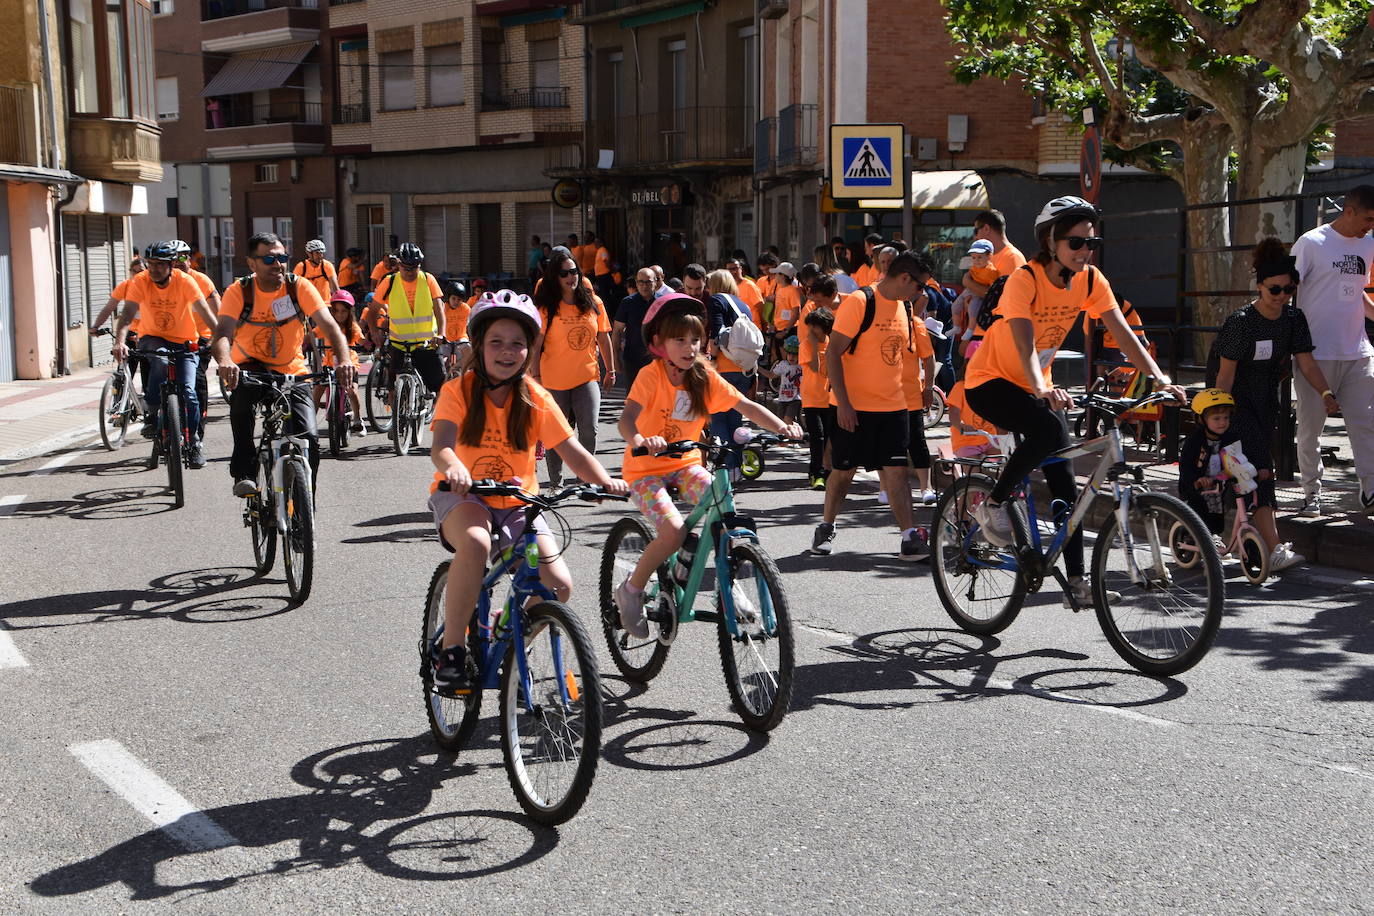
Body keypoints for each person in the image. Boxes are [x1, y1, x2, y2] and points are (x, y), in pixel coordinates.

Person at [962, 195, 1185, 606]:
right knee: (1047, 430)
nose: (1085, 251)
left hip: (1037, 386)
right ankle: (992, 503)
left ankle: (1078, 584)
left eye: (1091, 244)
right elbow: (1024, 341)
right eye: (1076, 243)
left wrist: (1159, 377)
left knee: (1068, 485)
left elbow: (1123, 334)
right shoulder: (1023, 280)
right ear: (1050, 241)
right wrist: (1041, 387)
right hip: (991, 381)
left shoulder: (1089, 280)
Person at [427, 292, 629, 695]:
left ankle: (510, 641)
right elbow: (442, 445)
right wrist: (455, 468)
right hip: (464, 496)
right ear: (479, 346)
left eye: (517, 342)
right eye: (496, 342)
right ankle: (452, 649)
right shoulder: (459, 390)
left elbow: (572, 450)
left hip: (519, 502)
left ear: (530, 348)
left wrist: (605, 480)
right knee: (476, 542)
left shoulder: (535, 396)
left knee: (558, 587)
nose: (508, 351)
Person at [613, 294, 801, 638]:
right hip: (646, 470)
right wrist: (640, 439)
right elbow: (627, 420)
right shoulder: (650, 376)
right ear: (658, 342)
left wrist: (782, 427)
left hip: (686, 464)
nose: (690, 346)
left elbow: (745, 404)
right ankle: (631, 589)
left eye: (696, 338)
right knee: (674, 531)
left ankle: (728, 589)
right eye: (679, 339)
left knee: (724, 513)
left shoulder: (702, 375)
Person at [1212, 238, 1339, 553]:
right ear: (1259, 286)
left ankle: (1230, 532)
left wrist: (1325, 392)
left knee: (1242, 471)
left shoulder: (1294, 320)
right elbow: (1224, 376)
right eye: (1275, 290)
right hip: (1232, 399)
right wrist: (1216, 419)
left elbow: (1306, 361)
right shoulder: (1240, 324)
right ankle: (1274, 546)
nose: (1282, 297)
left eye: (1289, 290)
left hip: (1265, 397)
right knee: (1260, 465)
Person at [811, 250, 937, 562]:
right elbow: (833, 354)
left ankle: (909, 536)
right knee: (843, 472)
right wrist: (843, 403)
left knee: (896, 471)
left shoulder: (906, 307)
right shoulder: (860, 302)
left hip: (893, 407)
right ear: (905, 278)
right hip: (852, 406)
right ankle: (826, 525)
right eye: (920, 285)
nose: (922, 292)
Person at [213, 232, 357, 496]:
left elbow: (330, 326)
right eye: (268, 258)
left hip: (292, 370)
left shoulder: (298, 287)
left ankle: (305, 503)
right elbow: (222, 333)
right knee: (241, 409)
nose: (277, 264)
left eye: (282, 257)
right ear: (252, 263)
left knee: (310, 440)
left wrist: (344, 360)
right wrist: (225, 361)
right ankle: (245, 473)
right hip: (250, 368)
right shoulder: (239, 291)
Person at [1289, 185, 1374, 516]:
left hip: (1358, 352)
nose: (1371, 225)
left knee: (1366, 425)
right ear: (1349, 211)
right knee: (1310, 429)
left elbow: (1357, 294)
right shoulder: (1311, 243)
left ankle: (1370, 493)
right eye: (1368, 218)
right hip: (1315, 356)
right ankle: (1312, 492)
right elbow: (1283, 291)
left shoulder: (1368, 244)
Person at [112, 241, 218, 468]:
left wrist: (219, 340)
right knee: (158, 360)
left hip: (185, 339)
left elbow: (205, 311)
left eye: (160, 265)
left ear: (171, 265)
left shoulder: (186, 281)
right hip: (152, 336)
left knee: (189, 393)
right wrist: (120, 342)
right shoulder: (141, 281)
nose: (154, 269)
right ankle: (151, 412)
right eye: (150, 264)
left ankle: (194, 442)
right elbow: (128, 314)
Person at [1180, 389, 1302, 571]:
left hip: (1220, 482)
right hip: (1199, 486)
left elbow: (1240, 457)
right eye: (1216, 419)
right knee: (1203, 510)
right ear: (1201, 419)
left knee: (1219, 513)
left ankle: (1220, 537)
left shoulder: (1231, 437)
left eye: (1226, 418)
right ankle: (1207, 542)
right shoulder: (1194, 441)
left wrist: (1257, 470)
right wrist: (1197, 480)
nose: (1222, 423)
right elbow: (1186, 466)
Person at [531, 253, 616, 488]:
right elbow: (536, 346)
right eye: (564, 273)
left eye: (574, 271)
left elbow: (603, 336)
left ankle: (584, 481)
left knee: (589, 431)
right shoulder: (546, 307)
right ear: (555, 278)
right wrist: (536, 377)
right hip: (553, 380)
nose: (571, 277)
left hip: (586, 377)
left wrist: (611, 370)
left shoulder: (593, 302)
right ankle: (555, 483)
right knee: (557, 434)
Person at [367, 242, 447, 398]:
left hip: (427, 343)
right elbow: (372, 312)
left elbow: (439, 310)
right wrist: (374, 332)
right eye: (405, 267)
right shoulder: (389, 282)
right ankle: (395, 417)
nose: (410, 272)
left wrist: (441, 334)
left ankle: (437, 418)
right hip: (399, 343)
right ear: (398, 265)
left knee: (440, 386)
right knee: (391, 384)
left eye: (414, 267)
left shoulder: (428, 279)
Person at [703, 267, 763, 467]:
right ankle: (737, 464)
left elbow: (717, 334)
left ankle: (727, 467)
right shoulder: (743, 305)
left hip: (723, 366)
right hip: (743, 368)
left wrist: (708, 359)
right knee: (735, 418)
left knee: (718, 418)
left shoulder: (716, 300)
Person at [171, 239, 222, 446]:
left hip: (200, 338)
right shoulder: (164, 282)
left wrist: (220, 336)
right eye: (172, 259)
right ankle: (159, 418)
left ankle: (196, 436)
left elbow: (219, 310)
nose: (178, 262)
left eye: (182, 258)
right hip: (173, 337)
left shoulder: (203, 281)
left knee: (197, 381)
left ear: (190, 260)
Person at [314, 288, 367, 437]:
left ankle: (358, 419)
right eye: (336, 311)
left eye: (343, 311)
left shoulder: (353, 327)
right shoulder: (327, 325)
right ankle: (309, 422)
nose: (340, 314)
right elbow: (311, 334)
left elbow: (361, 339)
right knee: (318, 389)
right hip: (329, 364)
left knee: (352, 390)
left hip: (350, 364)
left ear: (349, 312)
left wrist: (367, 343)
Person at [800, 303, 834, 489]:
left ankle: (828, 471)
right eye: (810, 325)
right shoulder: (806, 344)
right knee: (817, 437)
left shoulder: (831, 342)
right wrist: (813, 345)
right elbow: (813, 366)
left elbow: (830, 371)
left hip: (829, 399)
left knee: (829, 437)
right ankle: (815, 473)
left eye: (815, 326)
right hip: (811, 398)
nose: (811, 329)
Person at [953, 239, 998, 357]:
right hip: (970, 291)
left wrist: (968, 283)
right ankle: (956, 327)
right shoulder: (974, 268)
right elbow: (968, 278)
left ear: (989, 256)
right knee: (955, 306)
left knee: (972, 309)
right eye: (973, 257)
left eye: (979, 257)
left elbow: (992, 291)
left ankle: (969, 330)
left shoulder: (991, 271)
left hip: (978, 294)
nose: (976, 261)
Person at [614, 268, 658, 387]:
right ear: (636, 283)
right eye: (640, 282)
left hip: (656, 359)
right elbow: (617, 331)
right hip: (633, 359)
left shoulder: (662, 302)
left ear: (655, 282)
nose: (644, 286)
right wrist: (615, 358)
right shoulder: (627, 303)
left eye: (648, 282)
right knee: (633, 395)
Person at [764, 336, 803, 424]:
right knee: (782, 422)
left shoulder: (802, 366)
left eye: (794, 354)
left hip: (796, 399)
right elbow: (771, 375)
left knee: (788, 419)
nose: (791, 357)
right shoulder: (783, 364)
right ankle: (796, 435)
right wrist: (757, 368)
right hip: (782, 399)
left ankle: (795, 436)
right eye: (789, 354)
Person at [439, 281, 471, 374]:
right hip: (446, 339)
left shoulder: (466, 309)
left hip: (461, 338)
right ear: (448, 297)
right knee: (442, 359)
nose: (456, 302)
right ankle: (443, 378)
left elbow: (471, 324)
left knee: (468, 350)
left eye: (459, 299)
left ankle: (464, 374)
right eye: (453, 298)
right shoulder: (443, 308)